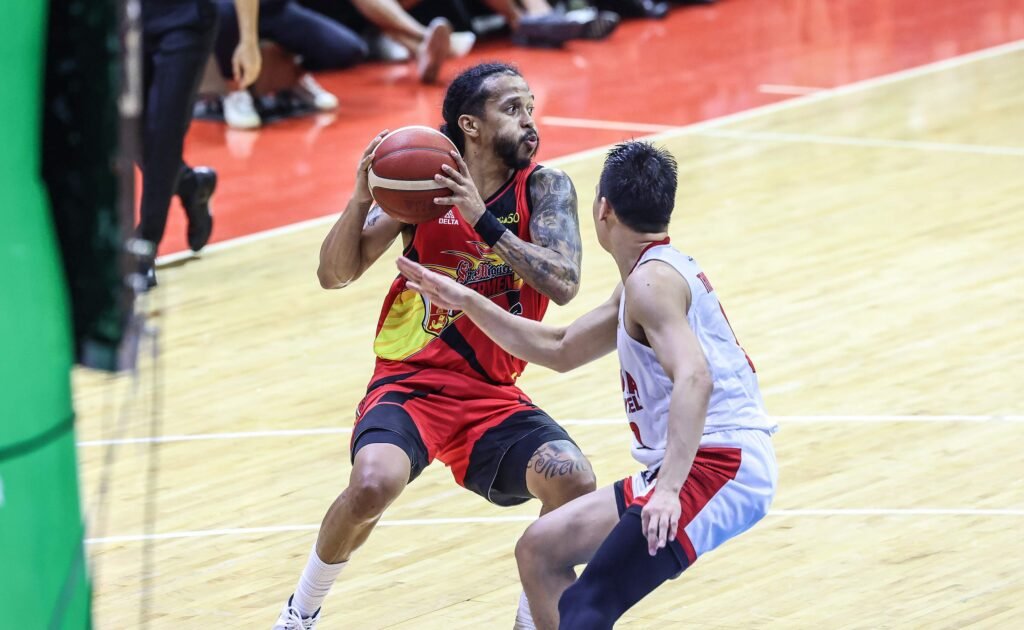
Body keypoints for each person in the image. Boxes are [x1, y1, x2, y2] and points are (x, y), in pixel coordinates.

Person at [397, 140, 778, 629]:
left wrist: (667, 492)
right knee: (540, 548)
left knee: (586, 608)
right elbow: (560, 347)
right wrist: (467, 300)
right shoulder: (647, 276)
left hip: (718, 464)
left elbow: (695, 378)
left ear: (603, 210)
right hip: (697, 461)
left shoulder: (650, 284)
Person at [272, 62, 597, 630]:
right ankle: (301, 612)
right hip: (410, 383)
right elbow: (334, 274)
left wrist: (481, 219)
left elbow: (563, 283)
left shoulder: (545, 188)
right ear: (470, 125)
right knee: (372, 485)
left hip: (491, 395)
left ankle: (528, 618)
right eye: (513, 109)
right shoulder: (423, 182)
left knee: (574, 481)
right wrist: (358, 197)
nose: (529, 122)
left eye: (531, 108)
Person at [138, 0, 261, 287]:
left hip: (187, 19)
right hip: (131, 20)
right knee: (133, 138)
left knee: (164, 134)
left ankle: (144, 247)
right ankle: (191, 185)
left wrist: (249, 40)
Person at [213, 0, 371, 129]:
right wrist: (249, 41)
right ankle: (235, 90)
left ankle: (295, 76)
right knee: (221, 11)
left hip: (277, 8)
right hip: (230, 8)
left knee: (349, 49)